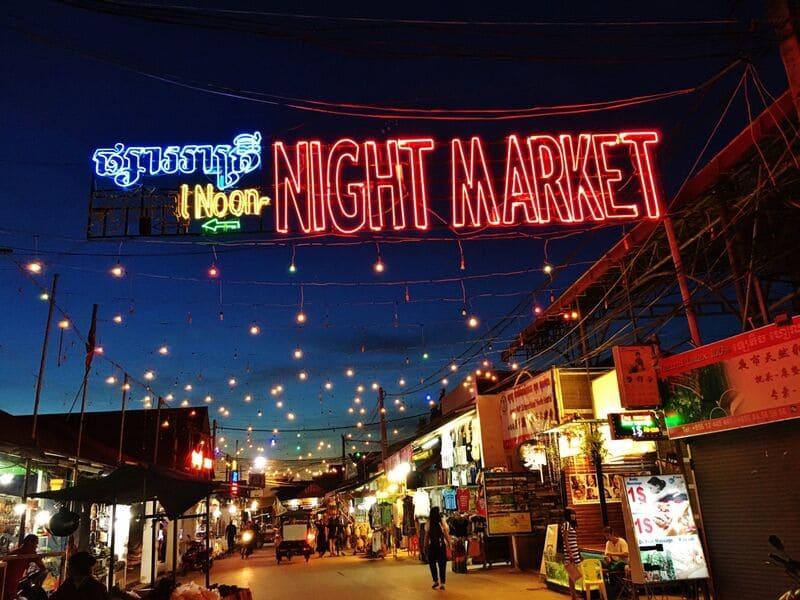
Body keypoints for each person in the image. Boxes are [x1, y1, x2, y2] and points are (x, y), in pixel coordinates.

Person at [3, 534, 45, 600]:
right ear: (30, 542)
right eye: (36, 544)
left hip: (6, 582)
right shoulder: (30, 553)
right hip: (10, 584)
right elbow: (42, 567)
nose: (36, 546)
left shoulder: (14, 552)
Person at [426, 506, 451, 591]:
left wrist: (424, 546)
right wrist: (449, 544)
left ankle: (435, 580)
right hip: (441, 545)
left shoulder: (429, 522)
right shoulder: (441, 521)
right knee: (442, 564)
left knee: (432, 563)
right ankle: (442, 583)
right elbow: (446, 534)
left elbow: (426, 535)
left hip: (432, 546)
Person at [561, 508, 581, 600]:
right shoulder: (566, 524)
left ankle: (574, 595)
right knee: (573, 574)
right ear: (567, 515)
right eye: (571, 514)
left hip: (574, 552)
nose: (573, 515)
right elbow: (565, 540)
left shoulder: (571, 525)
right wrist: (570, 553)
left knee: (573, 575)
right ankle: (573, 596)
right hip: (571, 553)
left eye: (574, 513)